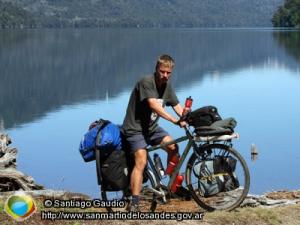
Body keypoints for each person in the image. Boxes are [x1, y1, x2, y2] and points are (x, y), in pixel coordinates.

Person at [122, 54, 187, 211]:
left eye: (168, 73)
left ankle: (170, 185)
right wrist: (173, 120)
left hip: (151, 129)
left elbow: (177, 105)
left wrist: (186, 118)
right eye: (162, 71)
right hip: (134, 128)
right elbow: (153, 105)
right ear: (156, 69)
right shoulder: (146, 82)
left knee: (173, 147)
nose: (165, 75)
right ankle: (135, 203)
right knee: (141, 161)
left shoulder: (167, 85)